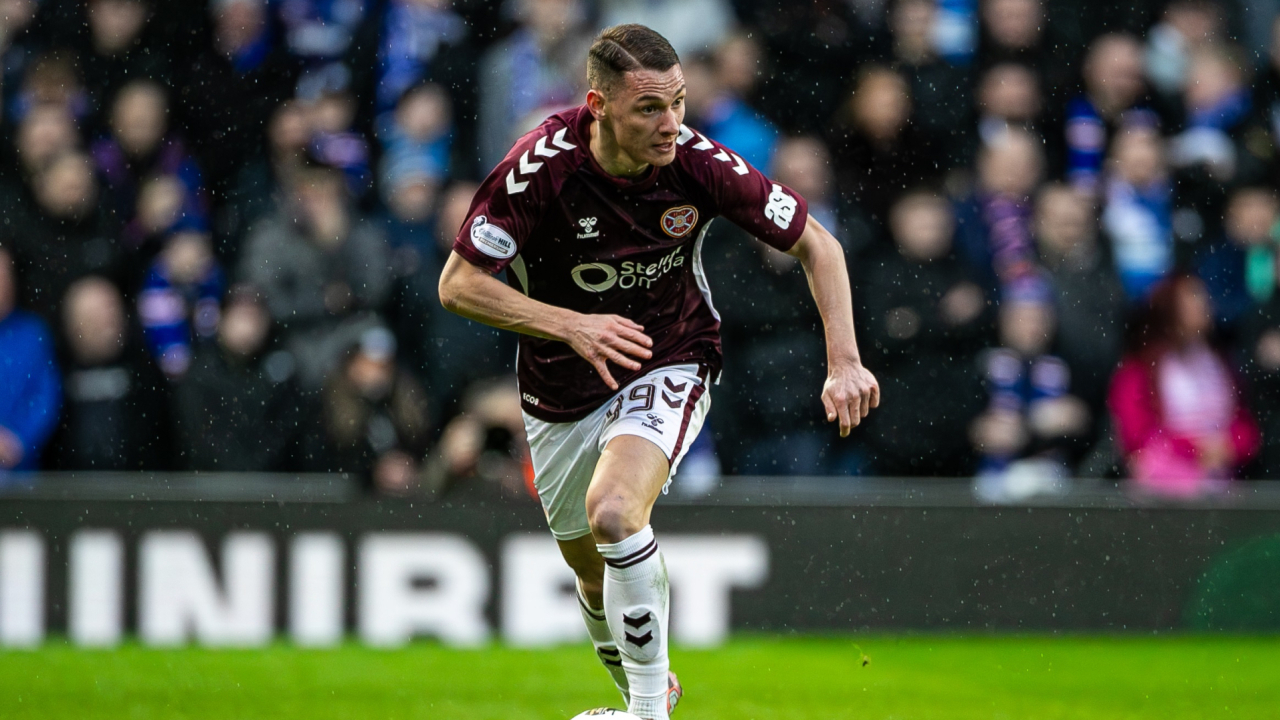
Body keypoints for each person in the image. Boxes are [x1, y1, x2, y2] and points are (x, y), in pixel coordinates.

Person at [436, 24, 879, 720]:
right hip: (558, 387)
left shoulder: (699, 163)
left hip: (670, 354)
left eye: (678, 102)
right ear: (598, 106)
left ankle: (647, 715)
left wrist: (844, 361)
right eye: (649, 108)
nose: (671, 123)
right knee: (592, 578)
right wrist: (572, 325)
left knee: (615, 513)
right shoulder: (540, 168)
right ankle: (647, 694)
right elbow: (458, 285)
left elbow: (819, 246)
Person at [0, 245, 61, 473]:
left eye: (6, 274)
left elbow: (46, 397)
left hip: (22, 471)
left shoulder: (33, 333)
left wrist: (19, 441)